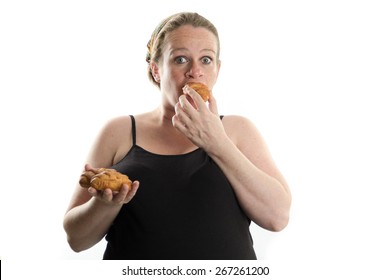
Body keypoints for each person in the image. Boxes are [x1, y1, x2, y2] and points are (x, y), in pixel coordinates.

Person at [63, 12, 291, 260]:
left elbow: (277, 218)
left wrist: (218, 144)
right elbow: (76, 239)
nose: (195, 71)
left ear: (217, 69)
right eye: (180, 59)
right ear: (156, 70)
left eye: (206, 59)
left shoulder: (237, 130)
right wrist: (104, 205)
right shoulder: (119, 132)